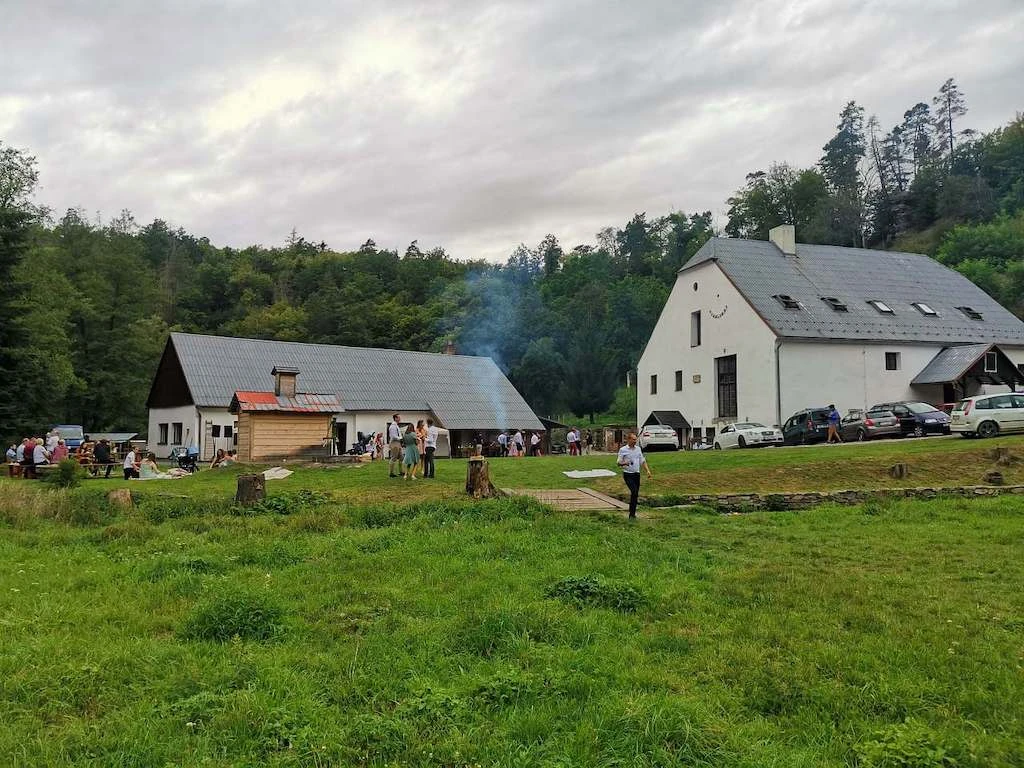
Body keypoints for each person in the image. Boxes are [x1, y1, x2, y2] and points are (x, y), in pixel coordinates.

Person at [617, 432, 653, 520]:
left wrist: (647, 471)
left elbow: (642, 461)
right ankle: (631, 513)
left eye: (635, 439)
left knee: (635, 494)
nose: (635, 441)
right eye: (633, 439)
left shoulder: (638, 449)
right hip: (628, 474)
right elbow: (618, 462)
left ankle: (632, 513)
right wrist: (625, 463)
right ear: (628, 440)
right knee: (634, 491)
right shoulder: (623, 450)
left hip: (637, 474)